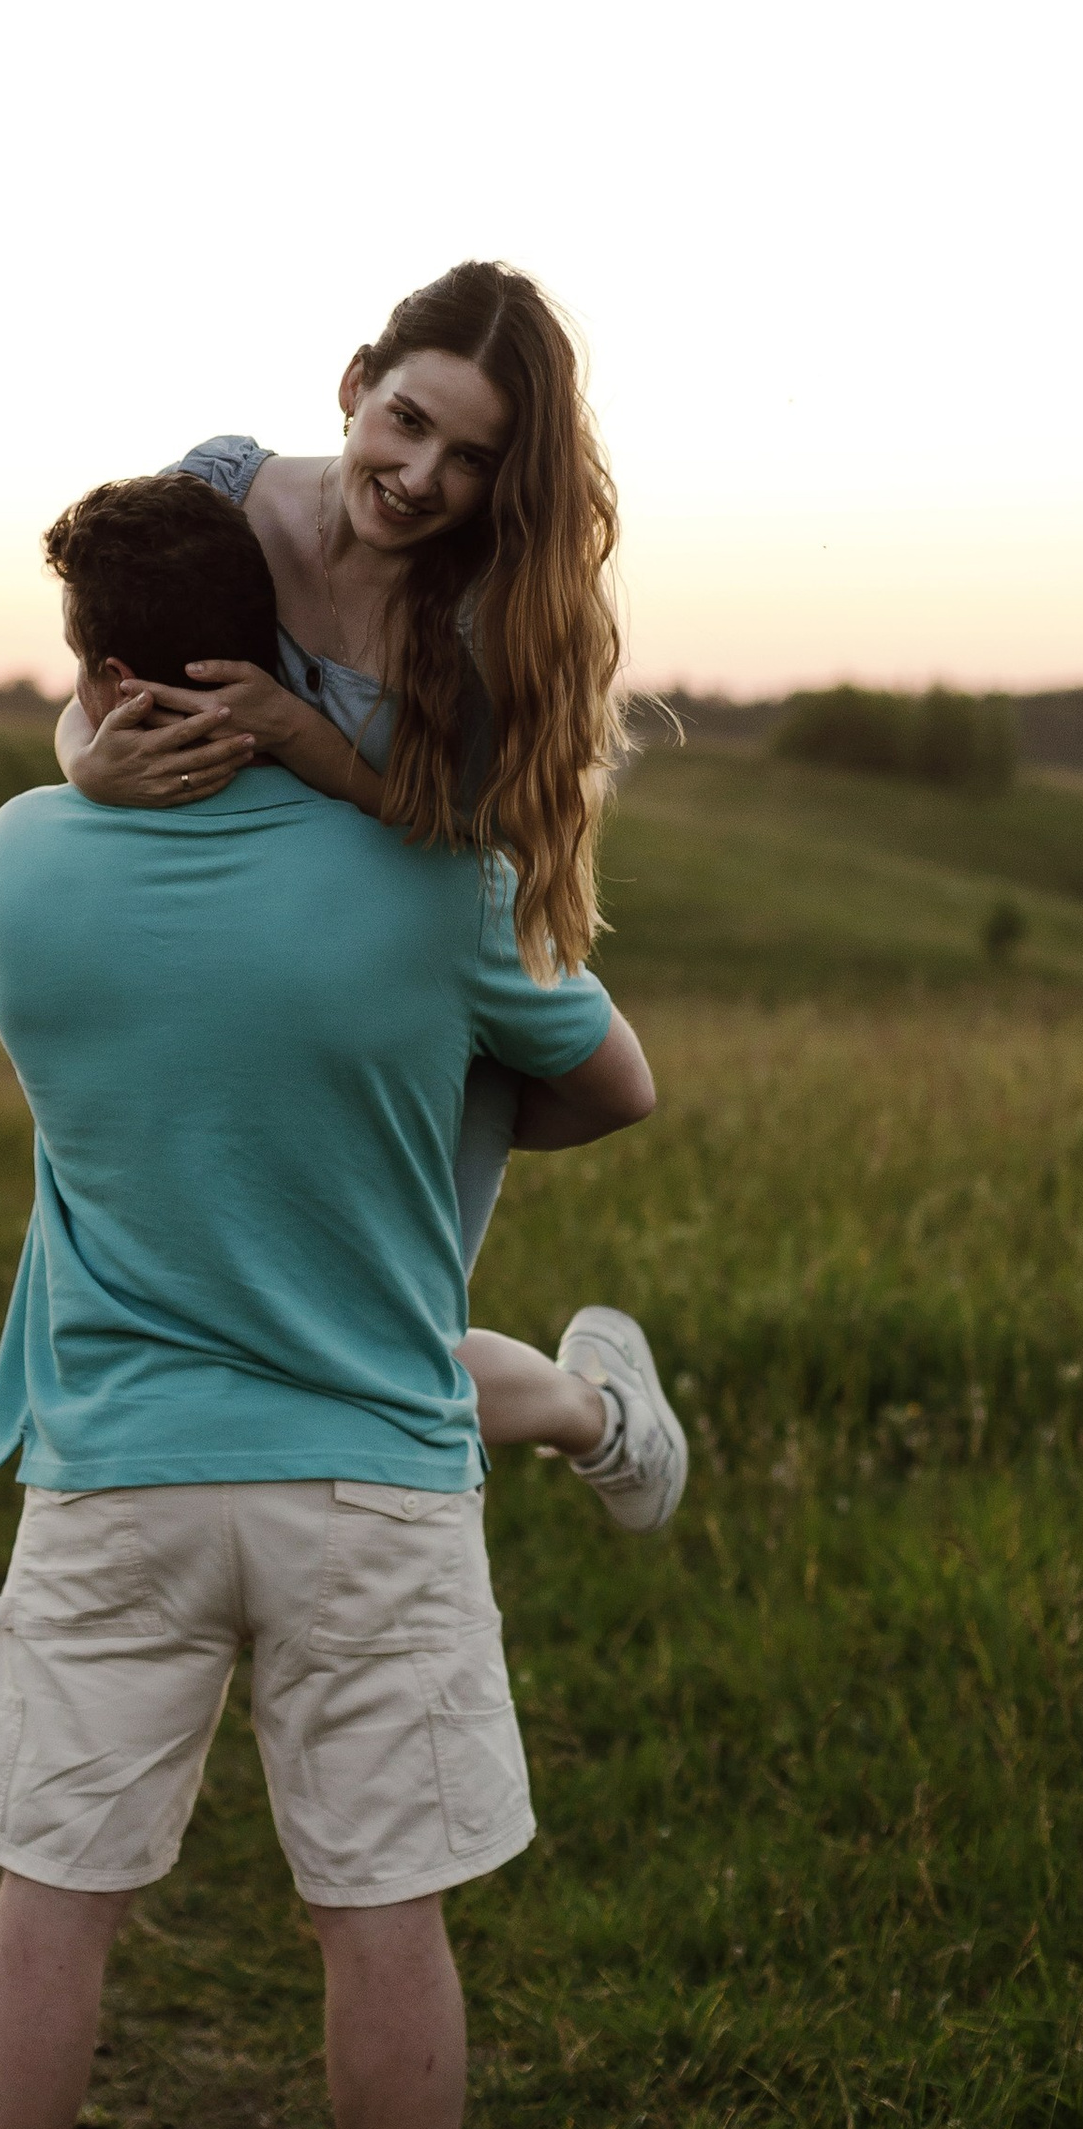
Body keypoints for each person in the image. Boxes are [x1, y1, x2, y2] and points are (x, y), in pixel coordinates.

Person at [0, 470, 660, 2129]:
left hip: (114, 1472)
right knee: (379, 1917)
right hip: (370, 1481)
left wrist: (78, 757)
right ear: (271, 648)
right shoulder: (432, 879)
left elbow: (86, 880)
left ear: (109, 673)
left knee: (53, 1911)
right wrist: (418, 1106)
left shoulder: (21, 863)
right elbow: (611, 1087)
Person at [54, 258, 685, 1535]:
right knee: (286, 1335)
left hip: (408, 966)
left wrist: (301, 734)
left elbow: (466, 837)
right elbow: (101, 684)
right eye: (408, 421)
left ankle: (597, 1415)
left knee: (385, 1342)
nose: (420, 476)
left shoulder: (475, 609)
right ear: (355, 385)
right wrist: (88, 767)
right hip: (254, 968)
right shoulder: (218, 492)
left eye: (470, 458)